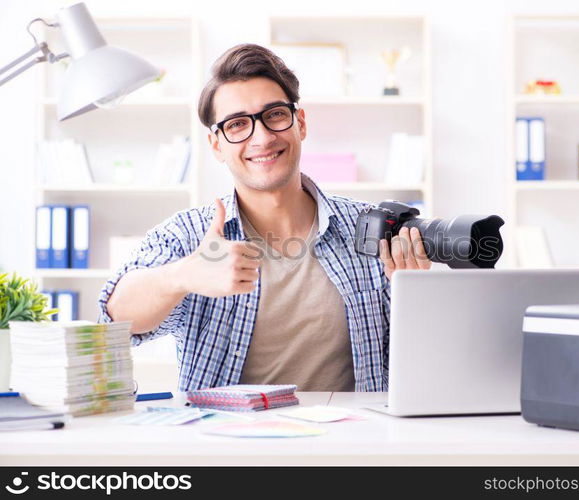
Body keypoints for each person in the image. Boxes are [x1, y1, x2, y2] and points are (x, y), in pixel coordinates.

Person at [99, 44, 431, 392]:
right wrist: (183, 275)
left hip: (349, 441)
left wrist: (414, 296)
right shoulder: (190, 235)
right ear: (216, 145)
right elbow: (115, 321)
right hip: (228, 442)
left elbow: (418, 361)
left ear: (299, 123)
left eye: (274, 115)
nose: (262, 137)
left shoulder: (371, 228)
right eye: (238, 124)